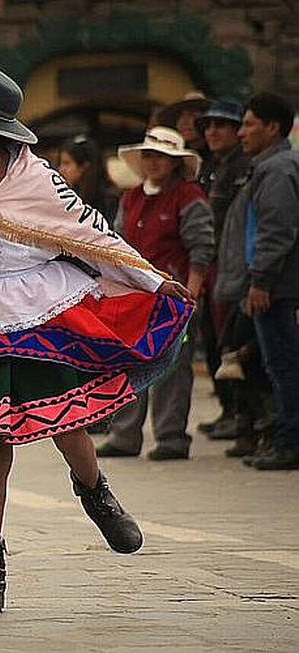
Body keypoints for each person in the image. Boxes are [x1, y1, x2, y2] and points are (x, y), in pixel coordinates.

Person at [0, 63, 193, 614]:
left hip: (39, 312)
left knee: (66, 422)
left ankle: (94, 490)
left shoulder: (37, 181)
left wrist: (151, 278)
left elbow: (95, 238)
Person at [96, 127, 215, 461]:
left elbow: (201, 249)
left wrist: (191, 296)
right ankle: (124, 435)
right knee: (127, 363)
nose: (153, 162)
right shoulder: (131, 197)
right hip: (135, 297)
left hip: (175, 297)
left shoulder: (189, 196)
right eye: (148, 156)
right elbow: (116, 247)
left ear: (175, 163)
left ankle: (172, 436)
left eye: (161, 157)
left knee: (174, 368)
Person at [227, 93, 299, 470]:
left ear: (272, 128)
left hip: (278, 288)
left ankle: (289, 442)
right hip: (272, 284)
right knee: (277, 364)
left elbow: (276, 231)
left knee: (283, 366)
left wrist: (262, 282)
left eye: (249, 123)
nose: (242, 132)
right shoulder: (269, 167)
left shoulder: (278, 170)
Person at [193, 100, 252, 443]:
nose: (212, 131)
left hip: (232, 268)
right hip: (213, 266)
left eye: (221, 125)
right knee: (215, 340)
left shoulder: (244, 167)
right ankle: (229, 410)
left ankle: (244, 416)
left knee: (234, 343)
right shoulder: (212, 166)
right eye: (209, 126)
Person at [57, 135, 119, 221]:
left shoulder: (109, 200)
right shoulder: (67, 196)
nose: (61, 170)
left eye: (67, 163)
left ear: (85, 166)